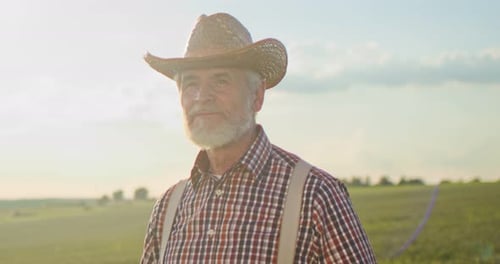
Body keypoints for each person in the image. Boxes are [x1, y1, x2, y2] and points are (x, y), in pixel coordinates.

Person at [140, 13, 376, 263]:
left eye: (220, 80)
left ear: (257, 95)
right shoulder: (167, 208)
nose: (202, 96)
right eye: (190, 84)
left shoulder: (316, 196)